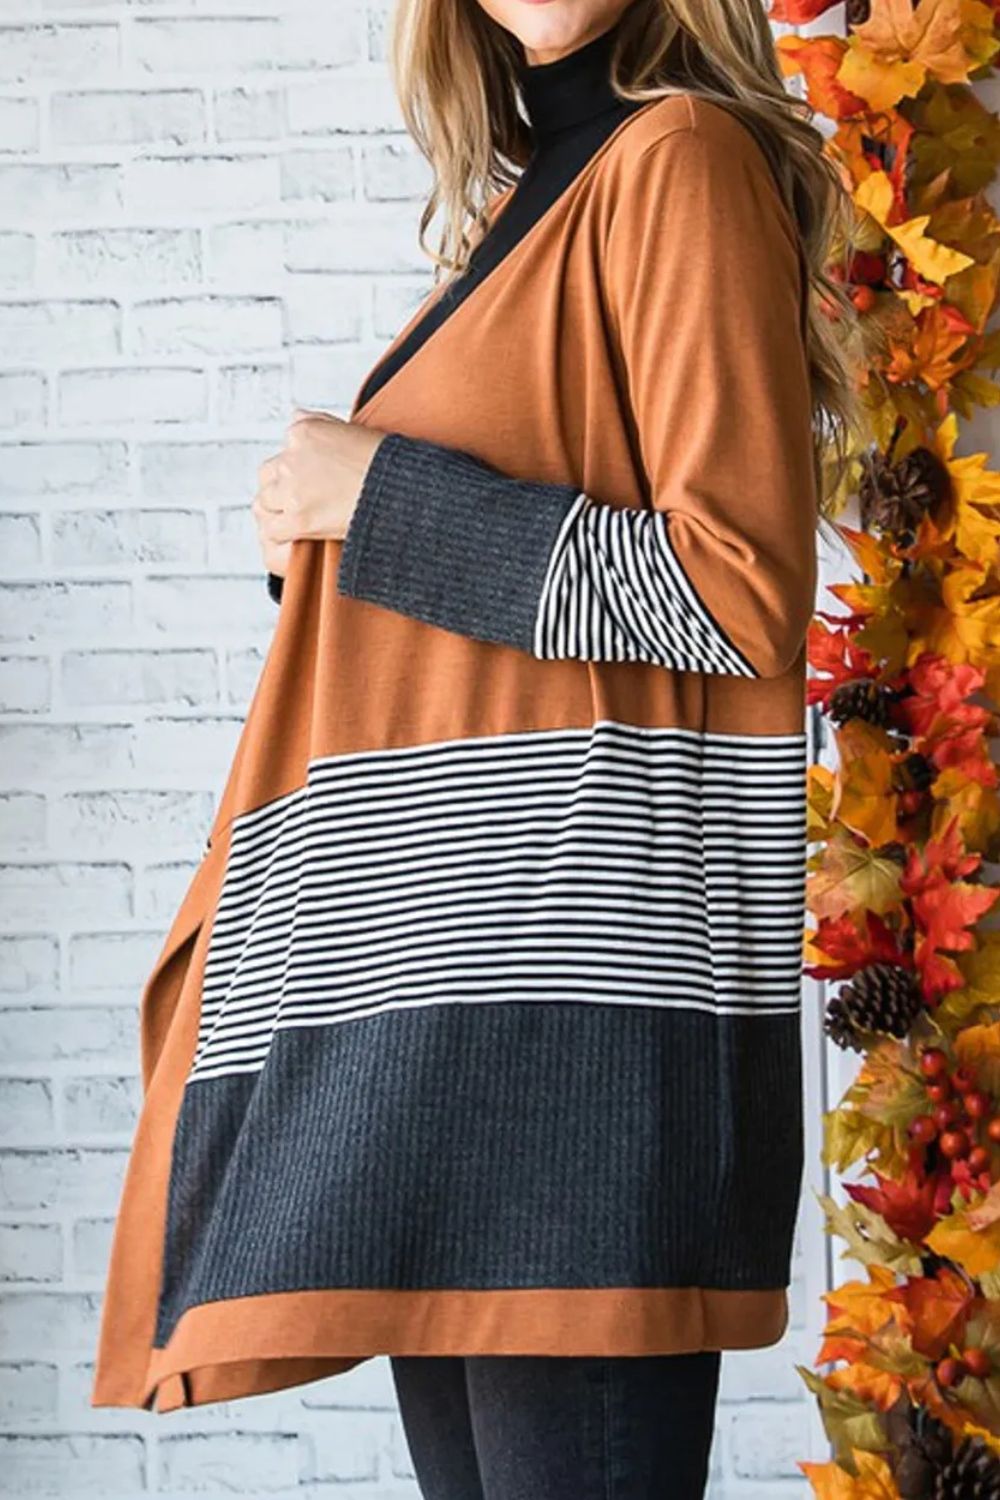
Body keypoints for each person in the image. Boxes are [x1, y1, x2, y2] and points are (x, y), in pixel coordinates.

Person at [90, 1, 858, 1496]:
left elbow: (735, 591)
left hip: (579, 1028)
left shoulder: (679, 156)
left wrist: (378, 499)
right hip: (455, 1016)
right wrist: (327, 547)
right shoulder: (531, 197)